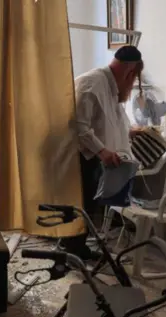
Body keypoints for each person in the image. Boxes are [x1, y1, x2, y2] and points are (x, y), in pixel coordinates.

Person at [60, 45, 145, 259]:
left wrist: (129, 132)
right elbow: (78, 126)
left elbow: (110, 119)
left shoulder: (109, 85)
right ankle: (71, 250)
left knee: (85, 204)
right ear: (130, 71)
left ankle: (74, 246)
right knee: (79, 204)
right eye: (133, 78)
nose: (131, 83)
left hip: (89, 155)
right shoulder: (92, 84)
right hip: (78, 154)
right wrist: (104, 152)